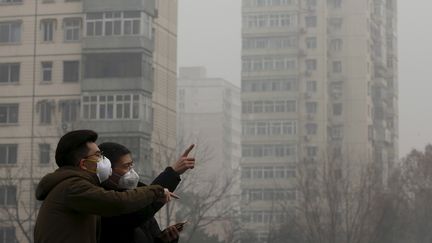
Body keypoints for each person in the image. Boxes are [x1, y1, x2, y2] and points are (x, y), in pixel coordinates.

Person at [34, 130, 175, 243]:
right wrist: (155, 190)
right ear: (84, 164)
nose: (104, 160)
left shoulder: (73, 186)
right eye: (98, 155)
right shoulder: (73, 187)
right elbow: (118, 202)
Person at [98, 142, 196, 243]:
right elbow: (137, 212)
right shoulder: (102, 202)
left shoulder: (136, 196)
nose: (131, 171)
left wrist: (163, 239)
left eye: (131, 165)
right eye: (126, 166)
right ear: (107, 170)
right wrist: (172, 173)